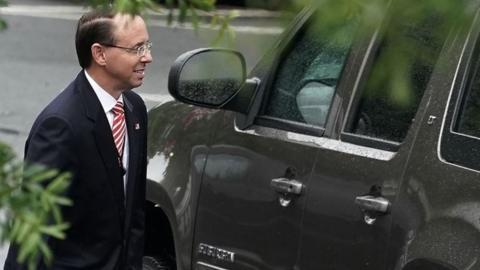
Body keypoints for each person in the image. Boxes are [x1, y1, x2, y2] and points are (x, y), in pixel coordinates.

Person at [5, 9, 153, 270]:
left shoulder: (134, 108)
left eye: (147, 46)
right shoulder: (60, 125)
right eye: (136, 48)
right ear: (100, 54)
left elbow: (135, 213)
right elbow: (32, 229)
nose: (148, 57)